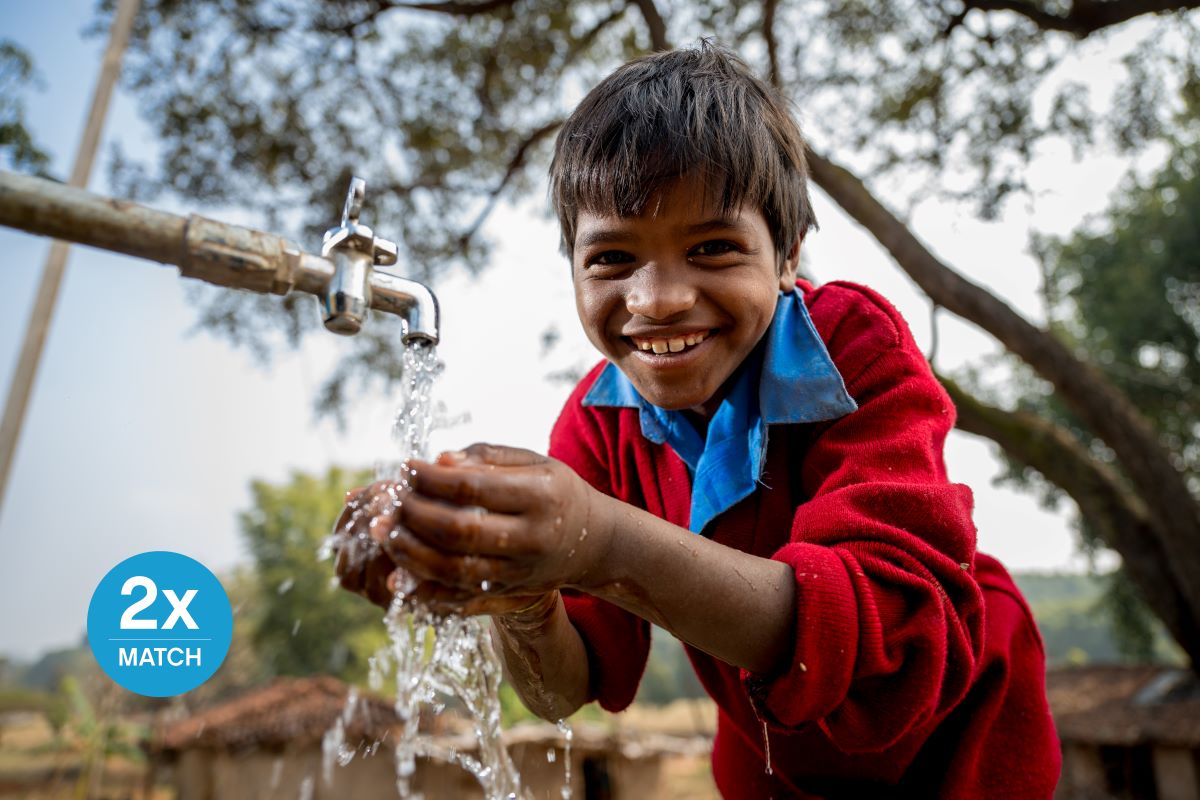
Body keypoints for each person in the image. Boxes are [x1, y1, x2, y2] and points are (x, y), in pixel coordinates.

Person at [334, 41, 1061, 798]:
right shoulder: (597, 422)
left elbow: (879, 628)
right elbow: (564, 685)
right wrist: (514, 592)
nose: (657, 299)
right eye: (612, 259)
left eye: (713, 248)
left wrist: (598, 537)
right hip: (768, 750)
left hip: (958, 737)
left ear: (787, 255)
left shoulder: (850, 347)